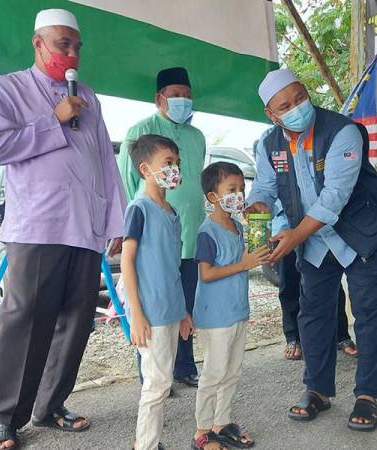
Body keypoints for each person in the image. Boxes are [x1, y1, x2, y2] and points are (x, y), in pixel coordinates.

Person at [0, 9, 126, 449]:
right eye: (63, 43)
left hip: (85, 225)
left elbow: (105, 159)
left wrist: (115, 219)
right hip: (38, 225)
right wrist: (55, 118)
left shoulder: (89, 96)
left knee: (77, 320)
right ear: (38, 43)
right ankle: (6, 418)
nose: (71, 52)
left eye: (77, 45)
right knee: (24, 320)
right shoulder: (6, 89)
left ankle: (50, 405)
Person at [247, 68, 377, 432]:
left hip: (364, 233)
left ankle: (368, 395)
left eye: (300, 98)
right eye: (286, 105)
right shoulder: (269, 145)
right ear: (272, 113)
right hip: (315, 241)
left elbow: (334, 198)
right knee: (313, 315)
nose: (297, 107)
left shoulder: (342, 131)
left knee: (369, 316)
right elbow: (265, 189)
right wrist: (258, 211)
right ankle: (318, 389)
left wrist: (293, 236)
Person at [118, 67, 205, 387]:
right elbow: (127, 185)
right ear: (159, 99)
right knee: (153, 305)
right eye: (175, 95)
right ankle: (153, 376)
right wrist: (128, 231)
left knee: (184, 304)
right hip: (152, 240)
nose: (182, 100)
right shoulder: (141, 132)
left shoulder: (197, 136)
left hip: (189, 232)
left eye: (187, 94)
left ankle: (183, 367)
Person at [120, 134, 194, 450]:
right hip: (150, 311)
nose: (174, 169)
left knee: (161, 382)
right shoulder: (140, 209)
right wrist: (136, 313)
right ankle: (146, 445)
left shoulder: (171, 212)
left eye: (176, 163)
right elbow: (127, 260)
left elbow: (172, 268)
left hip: (169, 310)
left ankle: (150, 441)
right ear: (145, 169)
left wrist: (183, 313)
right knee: (157, 383)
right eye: (167, 163)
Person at [192, 162, 268, 450]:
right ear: (213, 197)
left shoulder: (238, 226)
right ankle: (202, 431)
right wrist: (244, 264)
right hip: (216, 317)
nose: (239, 195)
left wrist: (259, 218)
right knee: (213, 373)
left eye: (241, 189)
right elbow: (207, 274)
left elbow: (257, 252)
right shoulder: (207, 232)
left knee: (232, 371)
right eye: (232, 190)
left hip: (237, 312)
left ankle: (221, 423)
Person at [272, 207, 358, 361]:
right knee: (289, 284)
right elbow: (264, 192)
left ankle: (341, 335)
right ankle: (293, 338)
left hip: (319, 229)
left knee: (332, 284)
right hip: (285, 227)